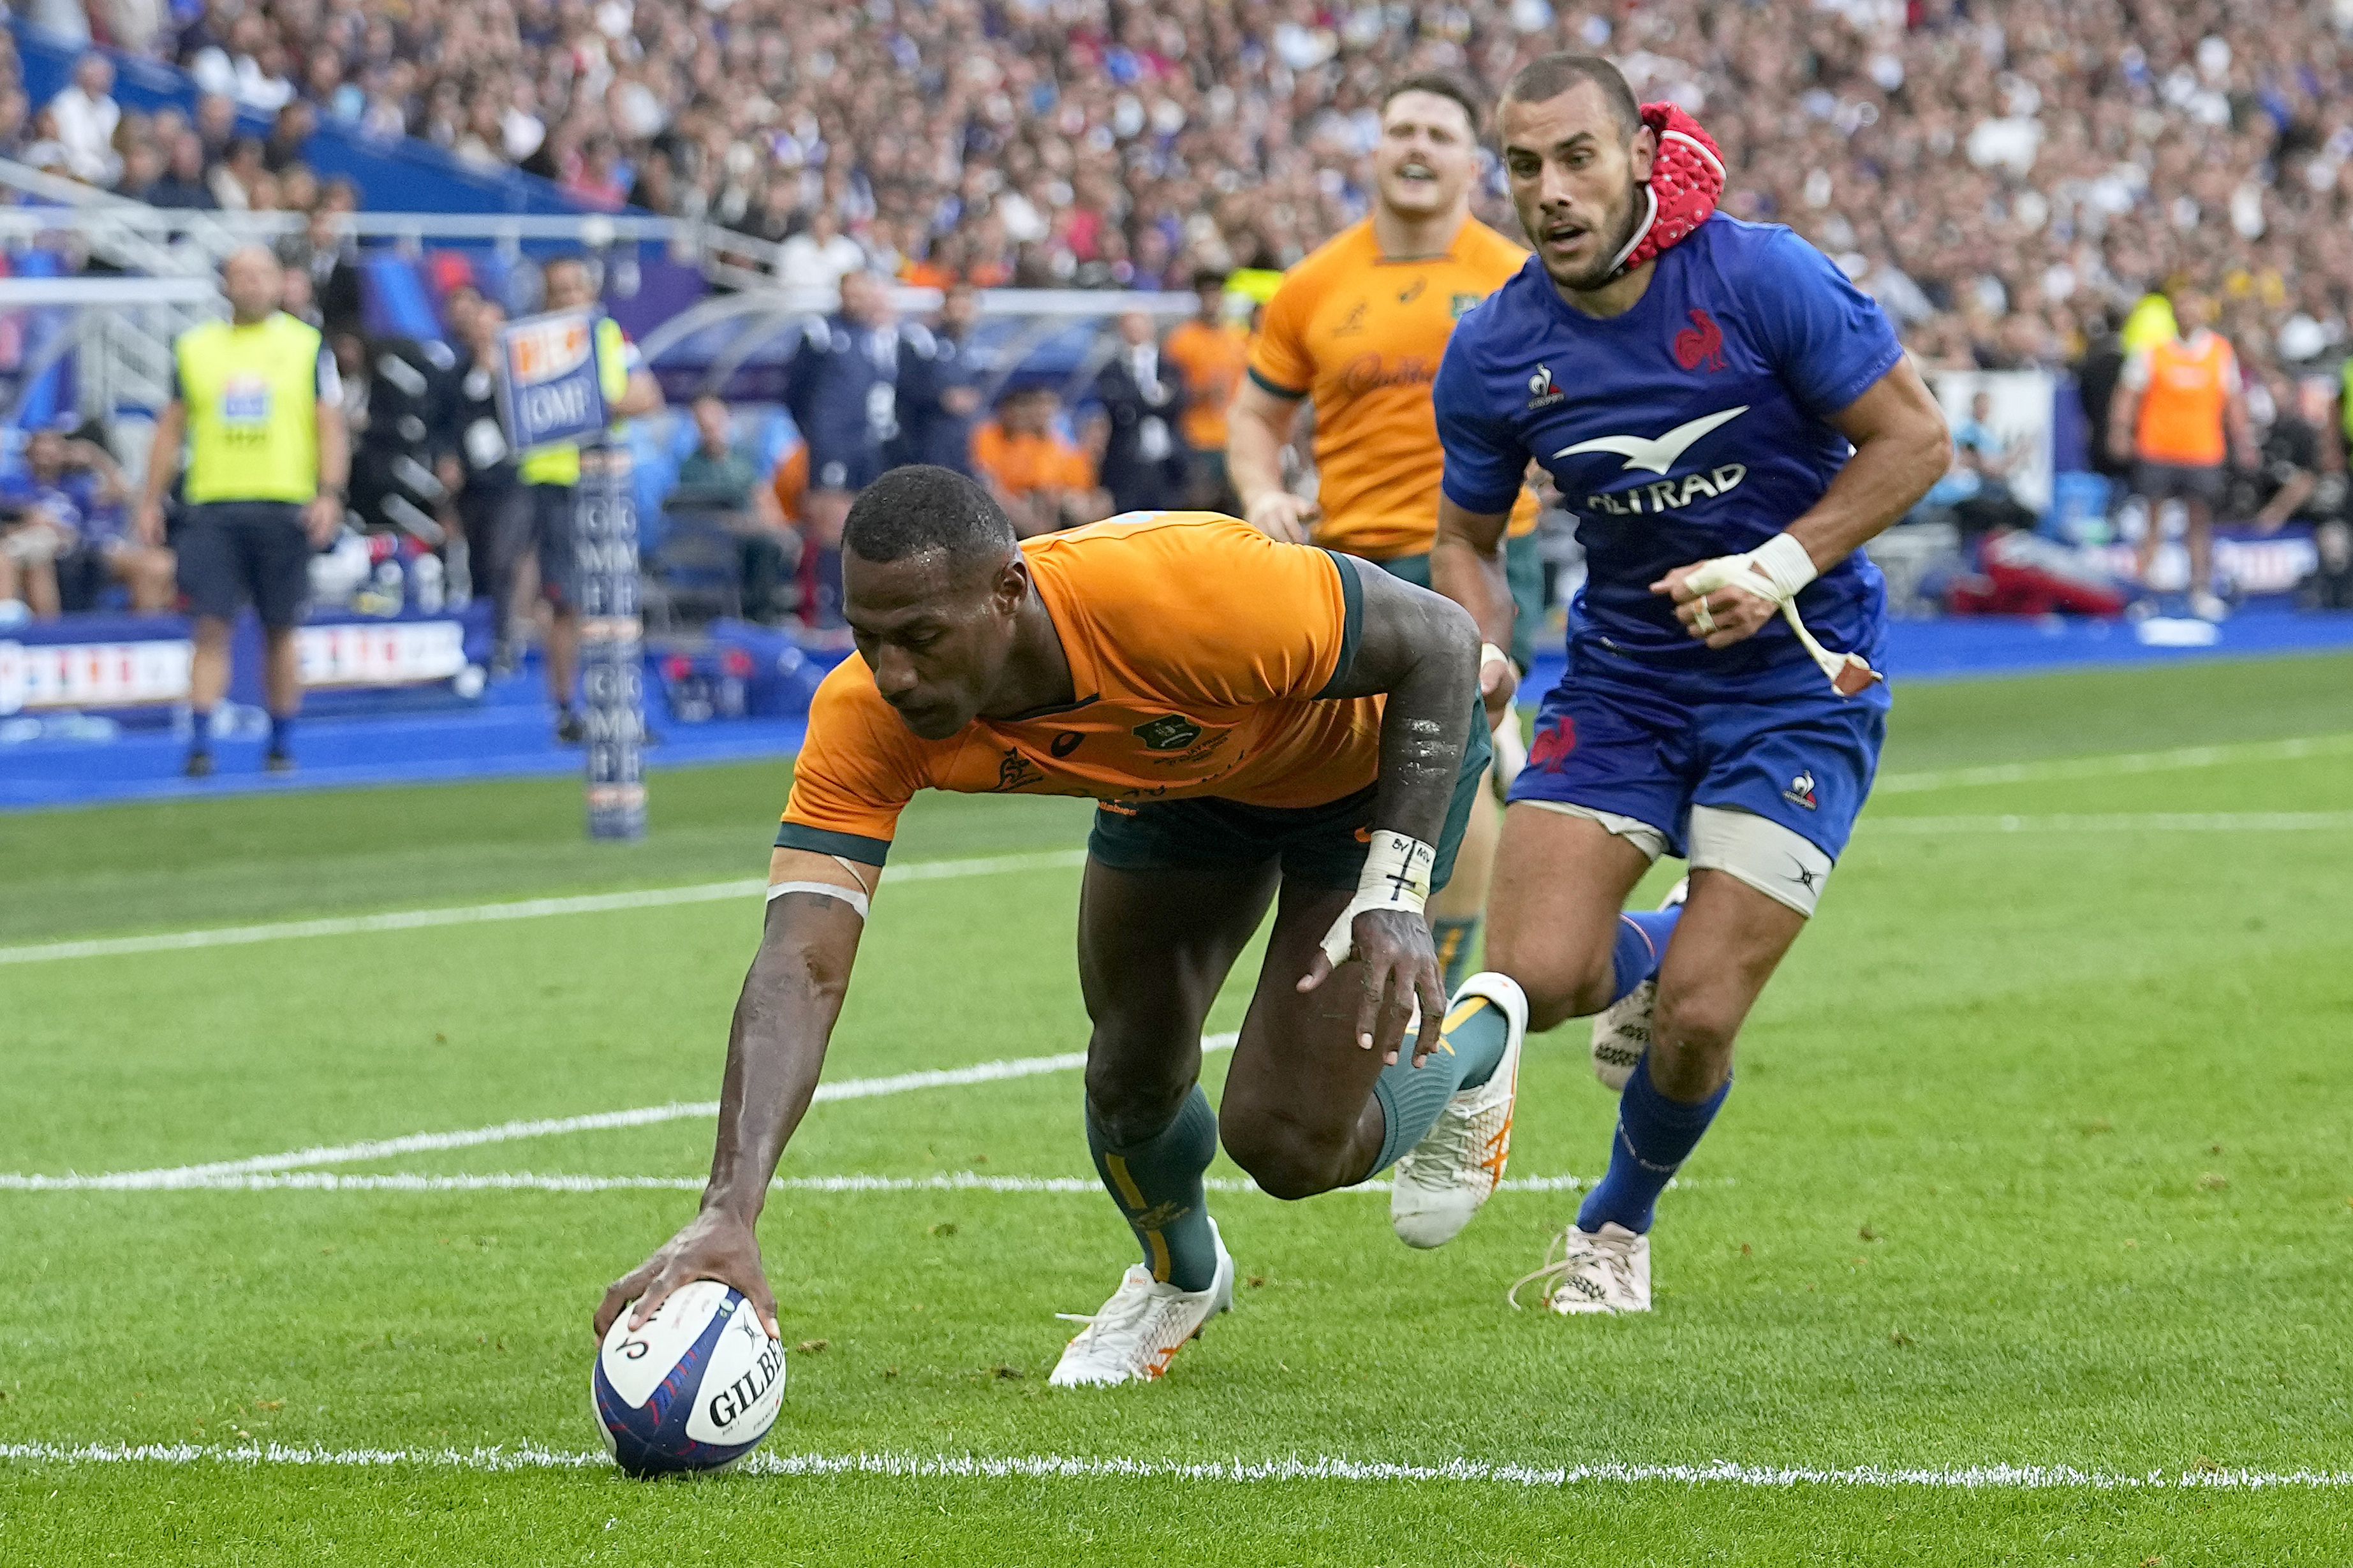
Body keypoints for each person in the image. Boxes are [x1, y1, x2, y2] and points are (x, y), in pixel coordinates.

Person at [594, 469, 1523, 1387]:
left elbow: (1441, 639)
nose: (895, 673)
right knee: (1128, 1076)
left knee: (1287, 1145)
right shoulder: (862, 714)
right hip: (1180, 785)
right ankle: (1179, 1276)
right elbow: (800, 960)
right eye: (868, 638)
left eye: (921, 636)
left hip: (1359, 777)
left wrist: (1394, 890)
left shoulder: (1177, 588)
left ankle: (1480, 1041)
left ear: (1009, 591)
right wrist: (731, 1206)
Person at [1427, 54, 1949, 1314]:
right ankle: (1647, 942)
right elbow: (1464, 535)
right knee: (1537, 976)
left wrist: (1775, 564)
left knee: (1699, 1015)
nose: (1547, 191)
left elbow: (1914, 439)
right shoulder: (1494, 348)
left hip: (1798, 683)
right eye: (1521, 166)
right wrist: (1475, 643)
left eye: (1574, 158)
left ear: (1635, 157)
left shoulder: (1760, 276)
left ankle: (1611, 1223)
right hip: (1623, 683)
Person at [1225, 71, 1545, 997]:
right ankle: (1340, 959)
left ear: (1472, 165)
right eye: (1400, 129)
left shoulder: (1512, 276)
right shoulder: (1315, 283)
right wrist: (1260, 491)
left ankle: (1437, 970)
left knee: (1454, 756)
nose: (1416, 147)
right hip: (1351, 558)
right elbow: (1255, 414)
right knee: (1349, 764)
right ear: (1373, 152)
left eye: (1439, 134)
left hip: (1477, 548)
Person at [136, 245, 350, 776]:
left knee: (281, 628)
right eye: (241, 276)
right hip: (213, 504)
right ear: (225, 285)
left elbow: (329, 424)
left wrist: (329, 492)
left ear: (280, 283)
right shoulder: (196, 347)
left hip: (284, 502)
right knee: (210, 625)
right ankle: (201, 742)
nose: (251, 285)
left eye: (261, 275)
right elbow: (171, 426)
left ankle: (280, 742)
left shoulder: (305, 345)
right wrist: (148, 499)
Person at [517, 254, 664, 740]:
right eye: (558, 290)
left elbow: (647, 395)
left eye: (574, 288)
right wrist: (599, 406)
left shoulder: (608, 336)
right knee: (566, 602)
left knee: (616, 598)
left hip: (606, 478)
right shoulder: (531, 345)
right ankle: (566, 709)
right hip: (556, 481)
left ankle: (618, 706)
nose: (568, 299)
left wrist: (586, 403)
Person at [2107, 291, 2252, 622]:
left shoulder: (2219, 351)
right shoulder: (2154, 351)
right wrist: (2119, 430)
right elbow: (2128, 393)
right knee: (2152, 523)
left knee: (2199, 524)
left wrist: (2243, 441)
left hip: (2202, 449)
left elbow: (2233, 400)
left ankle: (2201, 591)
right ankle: (2145, 595)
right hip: (2157, 447)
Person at [782, 270, 901, 633]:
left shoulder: (879, 337)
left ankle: (853, 607)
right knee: (828, 522)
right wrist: (818, 431)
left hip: (868, 442)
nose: (858, 300)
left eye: (864, 293)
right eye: (851, 293)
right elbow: (795, 389)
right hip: (833, 442)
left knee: (860, 522)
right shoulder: (820, 332)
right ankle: (820, 608)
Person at [435, 290, 530, 670]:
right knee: (475, 561)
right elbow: (443, 424)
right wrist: (446, 459)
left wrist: (499, 373)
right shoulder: (455, 375)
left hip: (511, 480)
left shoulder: (517, 375)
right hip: (473, 484)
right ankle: (482, 640)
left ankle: (507, 636)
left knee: (502, 559)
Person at [6, 423, 173, 613]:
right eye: (41, 446)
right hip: (36, 549)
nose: (47, 452)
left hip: (82, 552)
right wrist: (28, 516)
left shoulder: (75, 486)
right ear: (30, 451)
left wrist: (95, 457)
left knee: (159, 564)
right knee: (38, 552)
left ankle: (146, 633)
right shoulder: (14, 482)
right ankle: (48, 635)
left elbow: (123, 493)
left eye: (54, 445)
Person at [670, 392, 800, 624]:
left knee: (782, 540)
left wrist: (776, 525)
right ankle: (761, 618)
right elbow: (706, 514)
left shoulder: (744, 458)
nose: (710, 426)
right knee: (764, 546)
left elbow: (761, 494)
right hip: (715, 541)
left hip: (752, 531)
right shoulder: (692, 467)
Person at [1160, 270, 1250, 511]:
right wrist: (1202, 392)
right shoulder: (1181, 340)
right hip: (1197, 438)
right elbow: (1169, 395)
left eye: (1217, 294)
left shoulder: (1239, 337)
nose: (1213, 301)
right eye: (1207, 294)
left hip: (1233, 438)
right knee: (1202, 505)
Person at [971, 385, 1103, 536]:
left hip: (1046, 496)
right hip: (1010, 498)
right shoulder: (987, 434)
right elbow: (988, 475)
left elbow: (1053, 478)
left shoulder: (1052, 440)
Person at [1092, 310, 1188, 515]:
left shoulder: (1169, 366)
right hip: (1127, 462)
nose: (1135, 332)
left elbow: (1181, 401)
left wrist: (1140, 404)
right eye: (1130, 326)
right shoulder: (1111, 370)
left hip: (1169, 462)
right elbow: (1115, 406)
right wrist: (1155, 400)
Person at [892, 279, 986, 476]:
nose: (960, 316)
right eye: (955, 308)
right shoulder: (922, 343)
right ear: (944, 310)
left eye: (966, 309)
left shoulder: (973, 349)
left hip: (961, 445)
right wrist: (941, 398)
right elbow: (904, 385)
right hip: (924, 442)